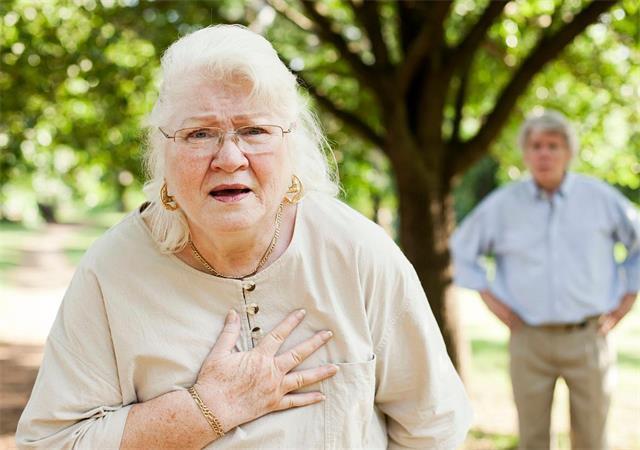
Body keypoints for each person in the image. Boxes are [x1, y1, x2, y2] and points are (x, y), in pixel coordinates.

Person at [16, 25, 472, 449]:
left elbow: (433, 425)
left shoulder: (357, 252)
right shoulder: (112, 270)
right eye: (199, 134)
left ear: (291, 145)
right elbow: (53, 442)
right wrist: (205, 410)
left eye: (254, 130)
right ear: (163, 151)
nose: (229, 157)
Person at [450, 109, 639, 450]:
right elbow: (462, 250)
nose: (544, 153)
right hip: (528, 339)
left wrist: (629, 296)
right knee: (532, 439)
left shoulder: (599, 199)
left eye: (553, 145)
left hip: (589, 338)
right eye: (536, 145)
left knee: (593, 439)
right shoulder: (503, 205)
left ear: (568, 152)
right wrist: (492, 300)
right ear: (525, 153)